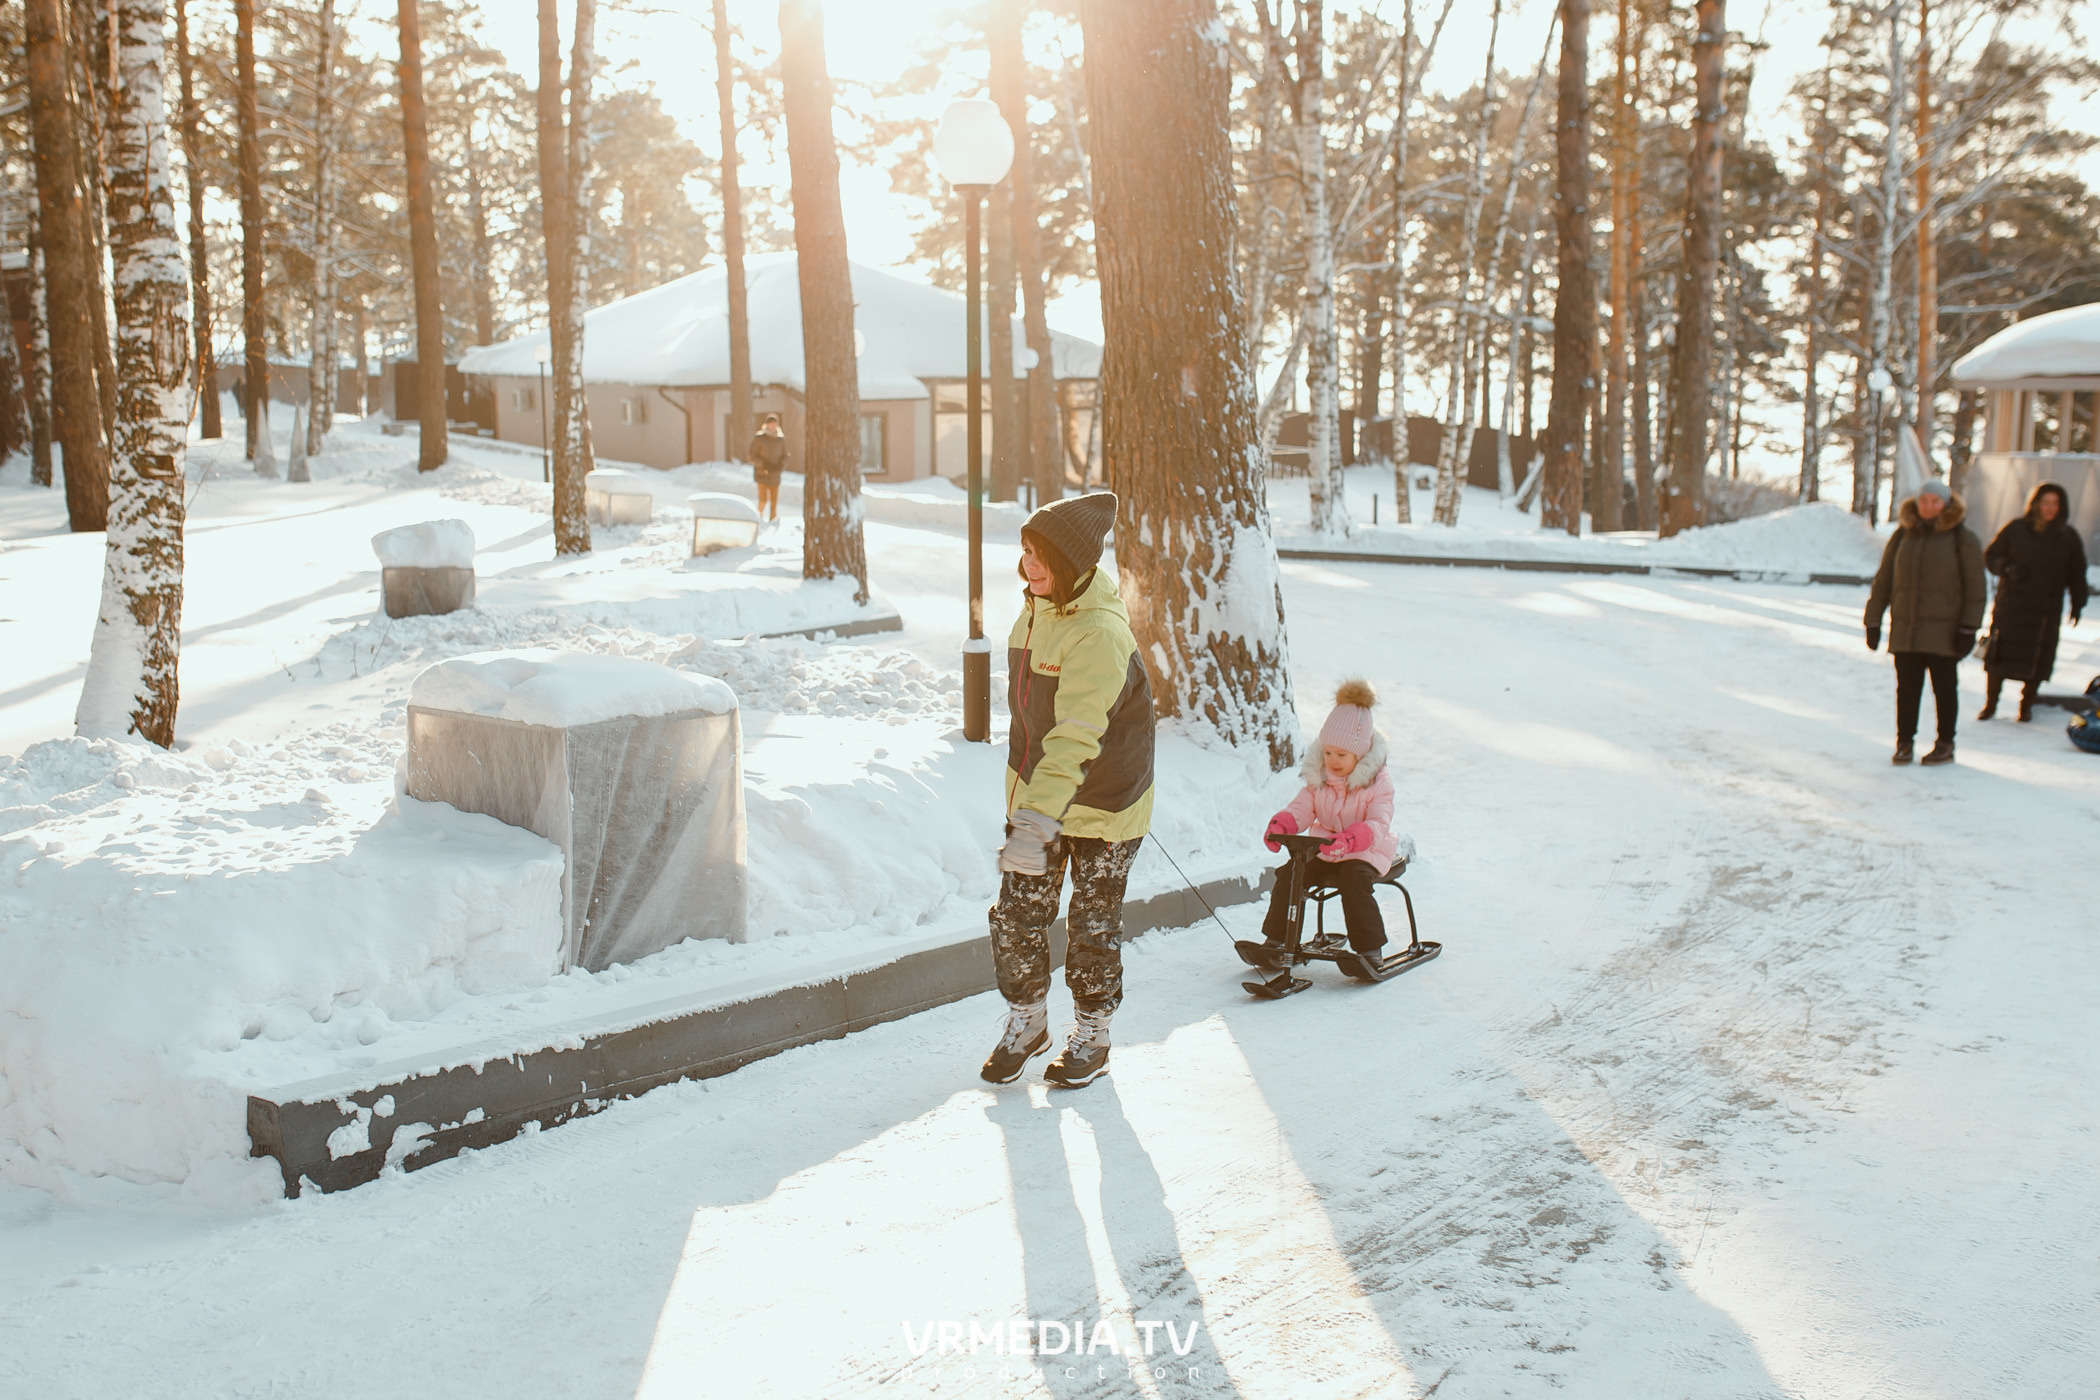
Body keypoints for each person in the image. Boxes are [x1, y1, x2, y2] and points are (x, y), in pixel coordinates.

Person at [981, 492, 1154, 1090]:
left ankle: (1094, 1032)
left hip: (1107, 800)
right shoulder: (1033, 612)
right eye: (1026, 551)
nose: (1030, 565)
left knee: (1091, 924)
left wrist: (1033, 820)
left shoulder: (1099, 634)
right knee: (1015, 917)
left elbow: (1074, 737)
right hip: (1043, 796)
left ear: (1073, 561)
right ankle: (1028, 1022)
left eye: (1043, 555)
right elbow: (1032, 725)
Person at [1258, 680, 1400, 960]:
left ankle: (1369, 949)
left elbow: (1378, 824)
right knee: (1290, 873)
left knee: (1353, 880)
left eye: (1341, 755)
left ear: (1360, 754)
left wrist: (1350, 839)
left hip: (1364, 852)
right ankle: (1278, 941)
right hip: (1324, 851)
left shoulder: (1378, 783)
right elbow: (1303, 807)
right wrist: (1283, 824)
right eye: (1328, 752)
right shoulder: (1320, 778)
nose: (1332, 760)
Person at [1864, 476, 1986, 766]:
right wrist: (1873, 620)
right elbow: (1884, 581)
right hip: (1906, 630)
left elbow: (1976, 589)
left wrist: (1968, 628)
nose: (1928, 506)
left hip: (1945, 632)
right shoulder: (1903, 535)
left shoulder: (1961, 539)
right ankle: (1904, 743)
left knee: (1943, 689)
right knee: (1906, 690)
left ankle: (1945, 744)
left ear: (1946, 504)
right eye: (1923, 501)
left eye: (1935, 501)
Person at [1979, 482, 2088, 722]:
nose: (2049, 508)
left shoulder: (2068, 537)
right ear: (2036, 504)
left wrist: (2078, 602)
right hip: (2011, 607)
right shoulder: (2016, 529)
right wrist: (2006, 568)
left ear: (2061, 507)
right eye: (2045, 502)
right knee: (2000, 655)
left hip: (2045, 610)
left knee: (2038, 657)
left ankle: (2026, 706)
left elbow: (2077, 573)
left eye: (2055, 503)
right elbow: (1991, 555)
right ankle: (1990, 704)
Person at [749, 414, 787, 522]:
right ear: (766, 425)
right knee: (763, 499)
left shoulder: (780, 440)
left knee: (774, 501)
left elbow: (785, 456)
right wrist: (763, 464)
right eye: (770, 424)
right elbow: (752, 456)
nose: (773, 426)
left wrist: (780, 465)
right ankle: (758, 515)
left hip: (775, 473)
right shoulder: (759, 438)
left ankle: (773, 519)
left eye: (774, 424)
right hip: (762, 474)